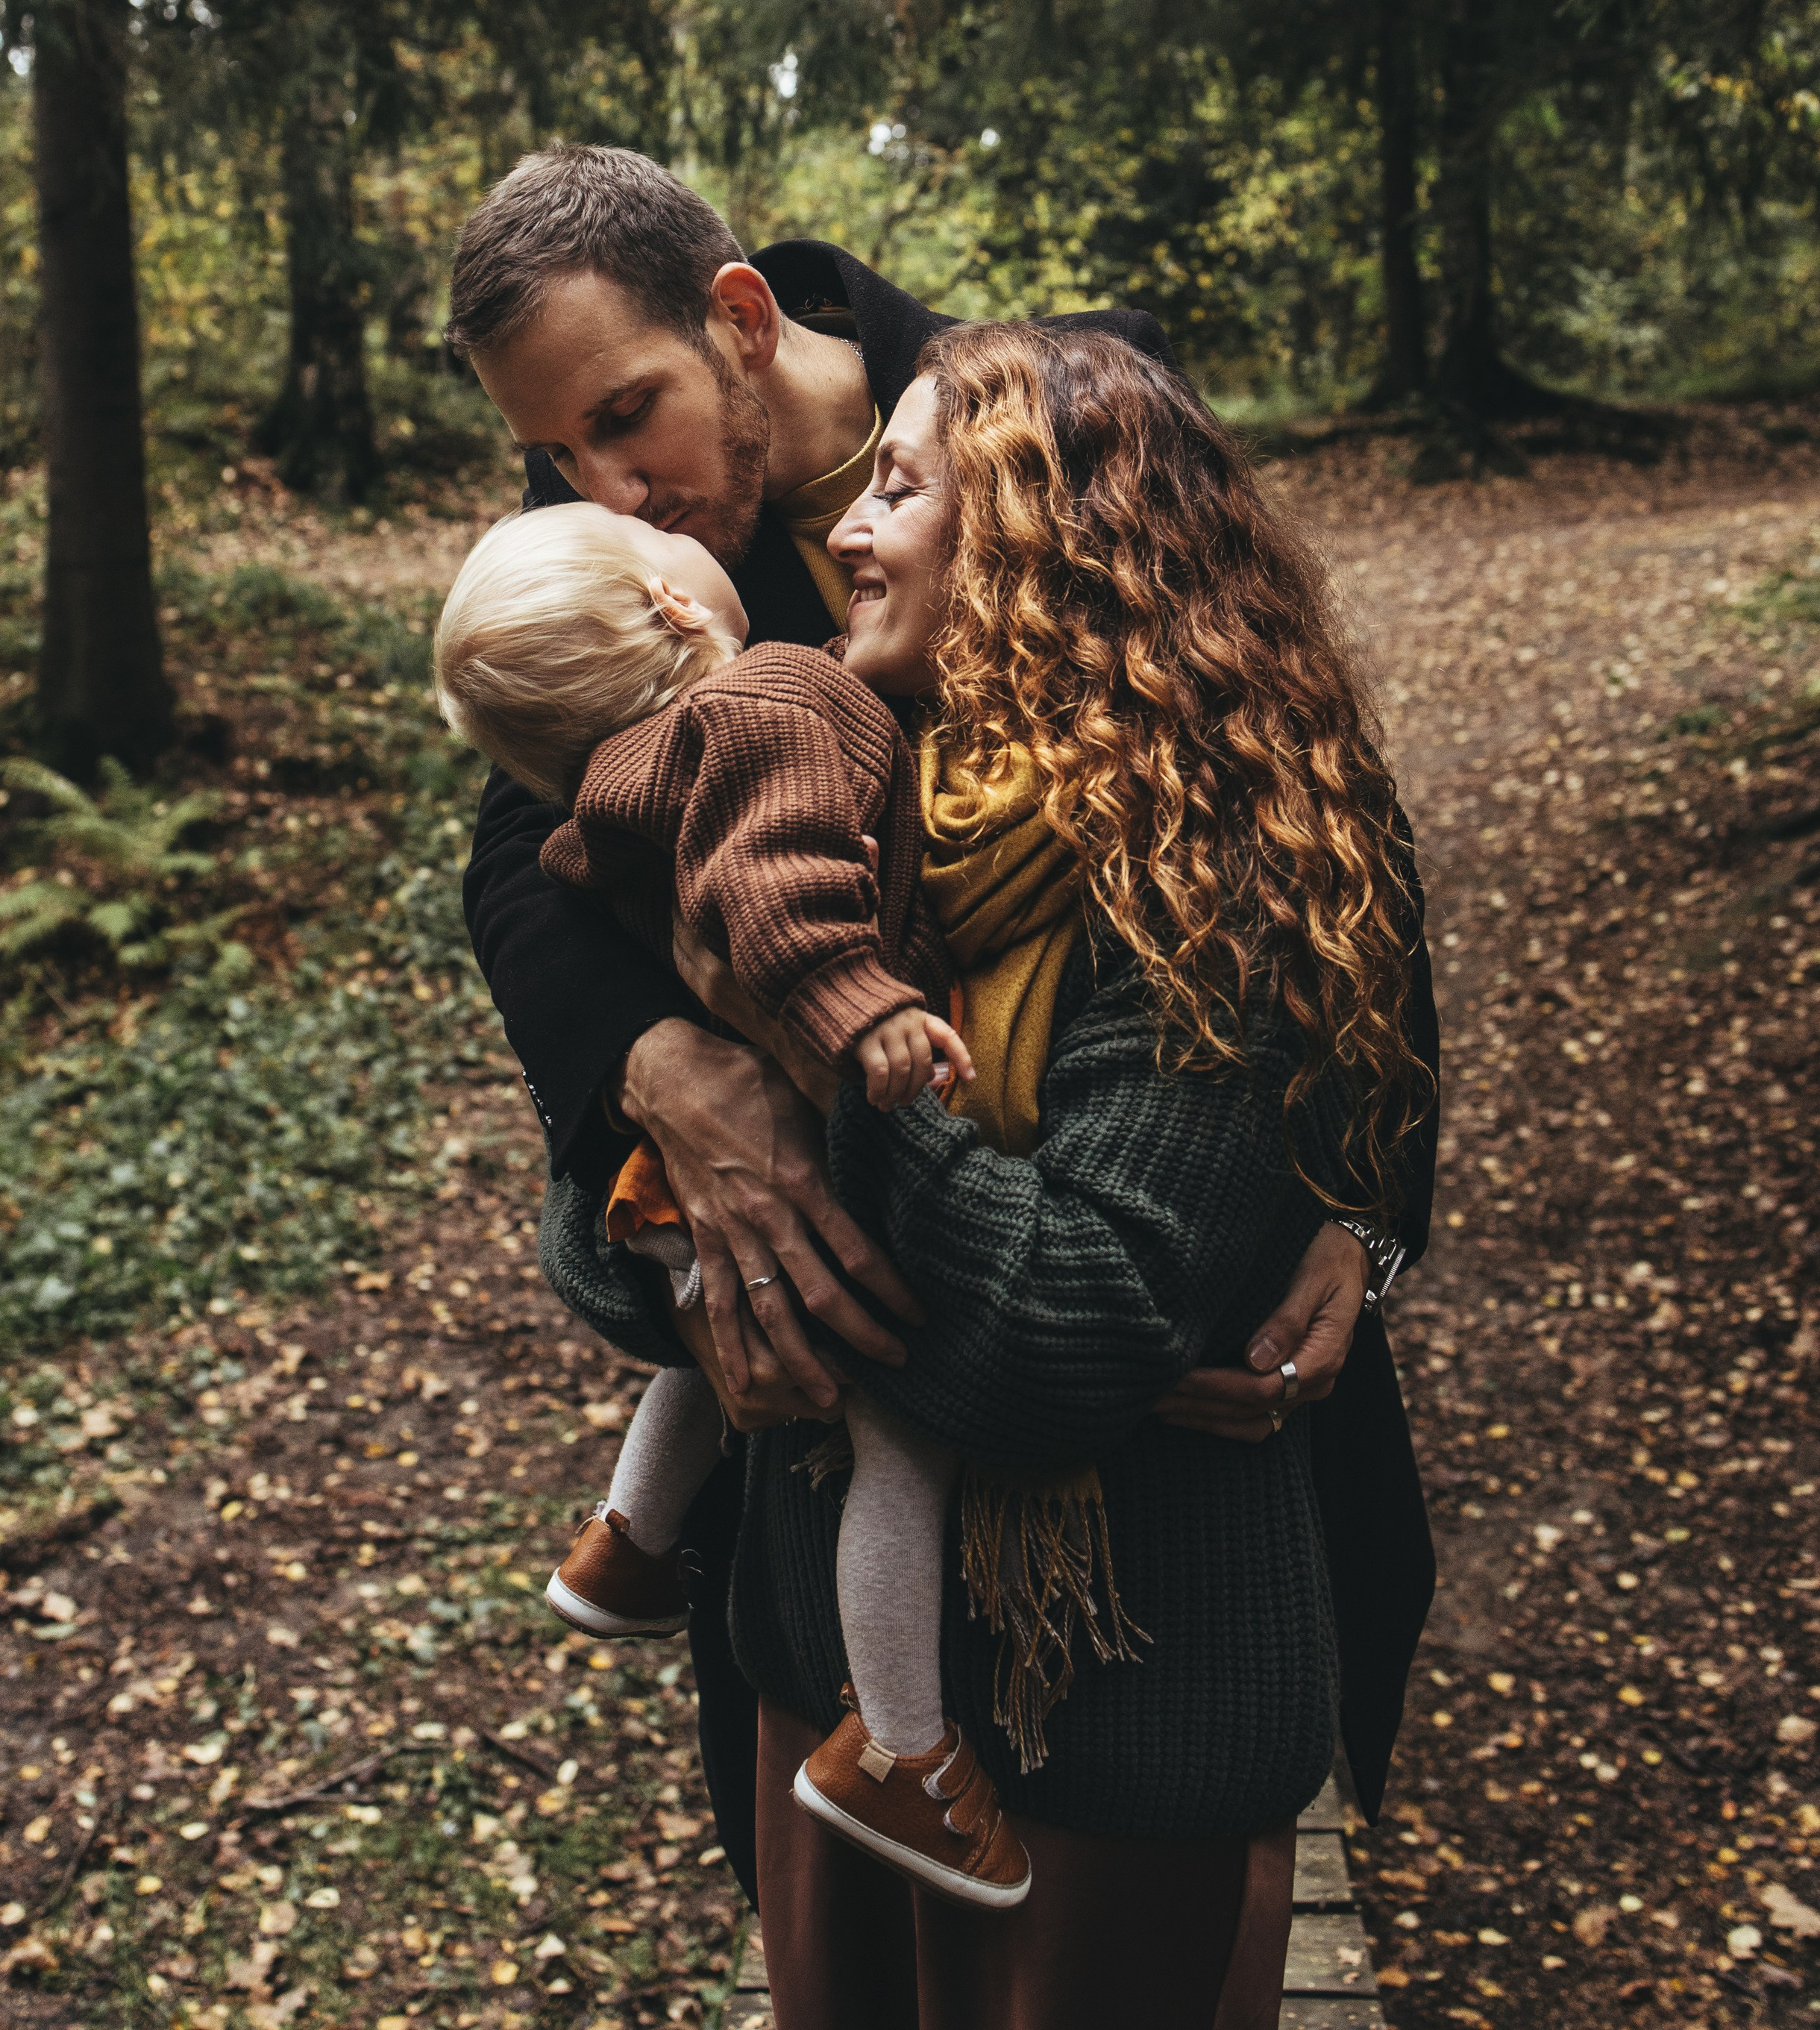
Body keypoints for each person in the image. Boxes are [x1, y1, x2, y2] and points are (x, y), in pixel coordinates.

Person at [448, 145, 1437, 1899]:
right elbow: (525, 859)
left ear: (739, 323)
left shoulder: (1052, 411)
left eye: (627, 416)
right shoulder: (632, 574)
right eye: (558, 456)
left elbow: (1315, 799)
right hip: (857, 1441)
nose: (608, 485)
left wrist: (1357, 1201)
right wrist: (660, 1068)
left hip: (1151, 1464)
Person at [431, 500, 1027, 1905]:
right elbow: (779, 884)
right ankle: (901, 1745)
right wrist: (860, 1007)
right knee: (901, 1436)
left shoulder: (610, 794)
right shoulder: (781, 692)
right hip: (827, 1130)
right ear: (681, 612)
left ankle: (630, 1547)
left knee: (722, 1349)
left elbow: (635, 884)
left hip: (672, 1192)